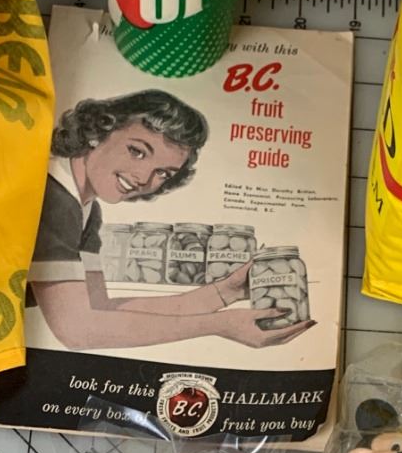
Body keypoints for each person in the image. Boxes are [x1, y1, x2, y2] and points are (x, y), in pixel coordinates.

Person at [30, 90, 312, 351]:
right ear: (98, 131)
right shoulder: (54, 198)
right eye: (137, 151)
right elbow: (79, 330)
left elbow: (100, 308)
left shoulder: (86, 209)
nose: (143, 178)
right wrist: (221, 325)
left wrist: (224, 293)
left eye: (163, 172)